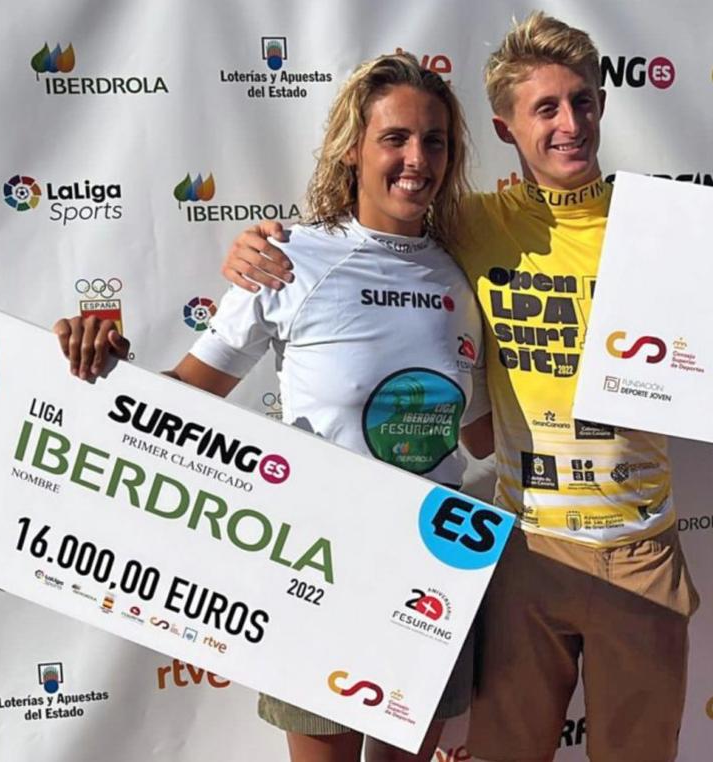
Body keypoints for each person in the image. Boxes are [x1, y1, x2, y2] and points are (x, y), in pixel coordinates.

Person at [217, 14, 713, 762]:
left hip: (642, 554)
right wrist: (261, 248)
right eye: (546, 108)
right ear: (505, 129)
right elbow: (378, 243)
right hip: (521, 555)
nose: (570, 125)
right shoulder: (466, 227)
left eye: (583, 102)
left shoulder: (668, 223)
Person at [53, 52, 491, 762]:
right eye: (395, 138)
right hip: (317, 561)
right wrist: (104, 365)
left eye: (434, 141)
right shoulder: (290, 260)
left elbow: (483, 435)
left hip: (430, 565)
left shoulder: (460, 275)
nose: (418, 159)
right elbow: (188, 394)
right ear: (352, 149)